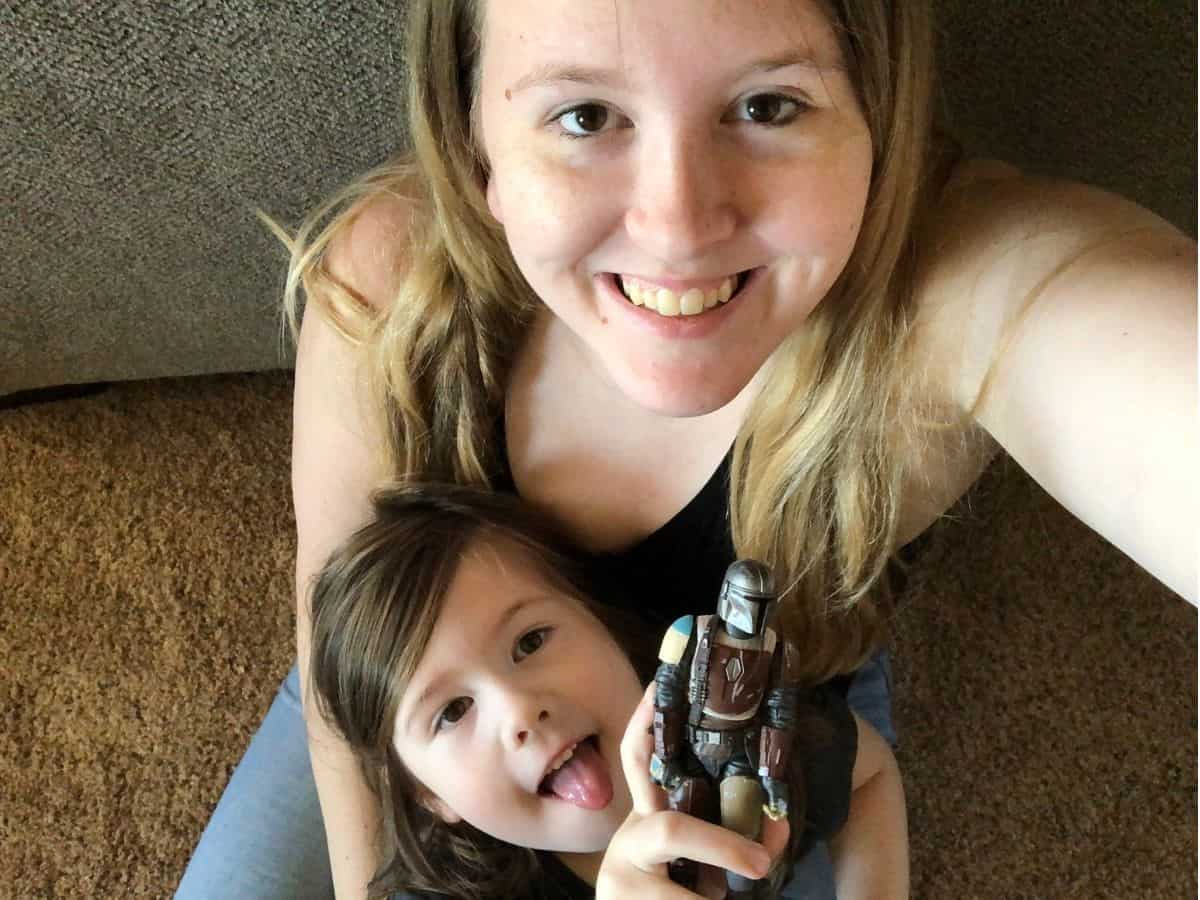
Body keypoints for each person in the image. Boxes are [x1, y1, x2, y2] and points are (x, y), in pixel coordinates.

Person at [174, 1, 1197, 897]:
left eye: (768, 105)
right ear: (474, 140)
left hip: (757, 696)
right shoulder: (391, 273)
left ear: (876, 113)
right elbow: (339, 621)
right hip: (421, 686)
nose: (677, 230)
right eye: (584, 115)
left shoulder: (953, 297)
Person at [303, 482, 907, 899]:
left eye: (531, 641)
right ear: (429, 796)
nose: (519, 709)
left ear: (603, 624)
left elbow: (873, 773)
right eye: (453, 711)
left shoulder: (735, 739)